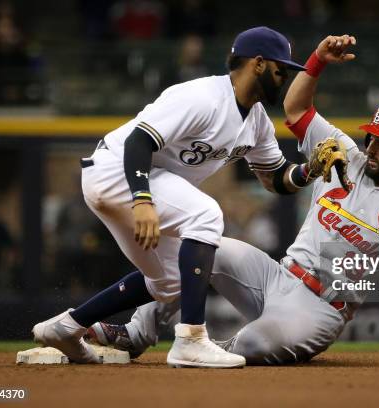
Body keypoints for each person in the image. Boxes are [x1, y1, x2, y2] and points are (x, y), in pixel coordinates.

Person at [85, 35, 379, 367]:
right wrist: (317, 60)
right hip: (276, 276)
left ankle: (215, 350)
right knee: (198, 247)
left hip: (320, 309)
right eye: (372, 136)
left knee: (255, 344)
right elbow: (296, 109)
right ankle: (135, 334)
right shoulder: (343, 153)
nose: (372, 146)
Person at [32, 27, 331, 368]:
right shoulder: (203, 96)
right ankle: (190, 339)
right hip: (116, 170)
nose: (285, 79)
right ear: (258, 64)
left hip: (134, 182)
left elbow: (274, 178)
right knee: (206, 215)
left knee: (171, 280)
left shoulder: (258, 121)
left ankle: (65, 327)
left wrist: (309, 170)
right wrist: (142, 199)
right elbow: (138, 142)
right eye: (281, 71)